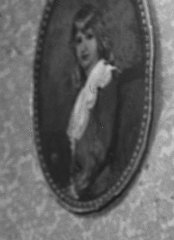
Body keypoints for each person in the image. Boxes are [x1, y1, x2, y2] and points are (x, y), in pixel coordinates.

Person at [66, 4, 119, 200]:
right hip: (84, 185)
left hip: (100, 183)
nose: (84, 47)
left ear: (101, 40)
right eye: (78, 40)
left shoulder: (105, 79)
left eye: (89, 37)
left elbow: (102, 142)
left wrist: (83, 182)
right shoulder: (84, 93)